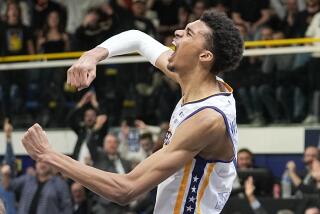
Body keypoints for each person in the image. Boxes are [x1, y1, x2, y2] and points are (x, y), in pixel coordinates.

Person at [22, 10, 243, 213]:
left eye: (188, 33)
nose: (177, 32)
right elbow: (138, 38)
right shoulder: (199, 81)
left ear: (204, 56)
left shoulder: (208, 119)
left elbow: (125, 189)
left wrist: (48, 155)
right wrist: (91, 56)